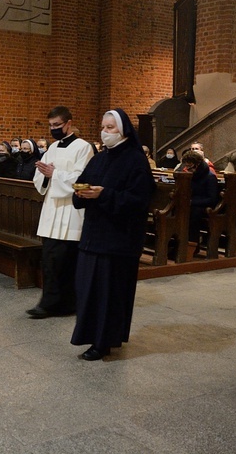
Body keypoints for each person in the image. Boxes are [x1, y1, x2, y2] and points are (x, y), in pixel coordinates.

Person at [70, 109, 155, 360]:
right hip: (93, 236)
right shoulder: (99, 158)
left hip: (118, 241)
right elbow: (83, 182)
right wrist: (80, 193)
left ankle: (104, 342)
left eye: (110, 128)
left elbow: (139, 200)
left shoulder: (135, 160)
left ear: (124, 130)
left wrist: (103, 194)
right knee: (89, 291)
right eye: (103, 127)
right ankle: (93, 336)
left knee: (109, 294)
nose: (105, 132)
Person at [27, 106, 94, 319]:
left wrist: (54, 174)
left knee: (65, 261)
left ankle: (63, 304)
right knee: (49, 260)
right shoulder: (53, 148)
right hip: (52, 211)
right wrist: (46, 175)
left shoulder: (84, 148)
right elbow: (41, 180)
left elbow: (83, 180)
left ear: (68, 123)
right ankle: (50, 302)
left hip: (71, 212)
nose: (53, 129)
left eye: (57, 125)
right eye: (50, 125)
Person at [181, 150, 219, 249]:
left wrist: (192, 202)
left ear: (197, 164)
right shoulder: (192, 175)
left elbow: (212, 199)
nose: (188, 170)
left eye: (190, 167)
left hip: (204, 207)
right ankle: (179, 244)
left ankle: (192, 245)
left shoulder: (210, 177)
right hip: (191, 204)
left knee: (193, 214)